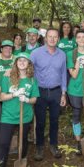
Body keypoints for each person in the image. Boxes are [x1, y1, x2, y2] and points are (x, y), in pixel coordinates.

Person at [0, 53, 39, 167]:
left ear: (29, 64)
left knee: (23, 140)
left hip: (25, 116)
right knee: (4, 142)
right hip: (8, 116)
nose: (22, 62)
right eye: (19, 60)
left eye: (24, 60)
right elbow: (2, 97)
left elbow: (35, 99)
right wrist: (14, 95)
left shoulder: (32, 80)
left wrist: (26, 100)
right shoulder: (7, 78)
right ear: (15, 63)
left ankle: (22, 159)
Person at [30, 28, 68, 160]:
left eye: (55, 37)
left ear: (58, 38)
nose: (52, 39)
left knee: (54, 120)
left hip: (56, 91)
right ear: (45, 38)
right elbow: (28, 71)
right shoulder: (36, 53)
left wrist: (63, 93)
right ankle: (39, 147)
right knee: (40, 121)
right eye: (50, 36)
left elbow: (64, 74)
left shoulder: (62, 55)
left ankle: (53, 145)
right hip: (40, 91)